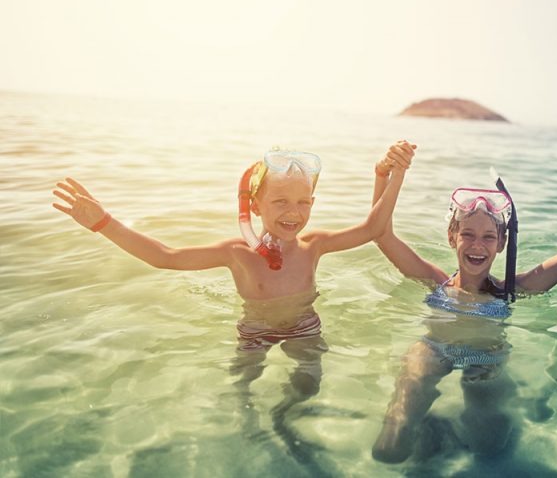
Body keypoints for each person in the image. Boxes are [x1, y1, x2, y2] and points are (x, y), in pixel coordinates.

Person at [51, 144, 411, 456]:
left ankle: (285, 416)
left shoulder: (314, 245)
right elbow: (166, 256)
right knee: (244, 381)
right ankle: (246, 423)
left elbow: (373, 228)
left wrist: (394, 174)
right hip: (255, 330)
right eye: (281, 201)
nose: (293, 212)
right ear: (254, 206)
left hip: (305, 327)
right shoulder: (237, 253)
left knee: (308, 384)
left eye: (303, 202)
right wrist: (104, 223)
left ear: (313, 204)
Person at [370, 148, 557, 462]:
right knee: (393, 441)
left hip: (487, 359)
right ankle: (416, 426)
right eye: (467, 234)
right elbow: (381, 235)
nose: (477, 245)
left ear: (502, 243)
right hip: (434, 348)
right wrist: (381, 176)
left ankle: (442, 431)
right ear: (452, 237)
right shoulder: (434, 280)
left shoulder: (509, 291)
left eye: (488, 237)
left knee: (490, 446)